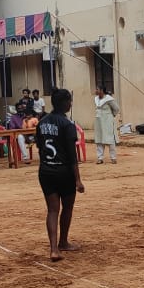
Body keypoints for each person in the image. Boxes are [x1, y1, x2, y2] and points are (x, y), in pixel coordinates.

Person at [35, 89, 85, 262]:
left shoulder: (42, 122)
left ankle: (54, 249)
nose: (70, 104)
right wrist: (78, 179)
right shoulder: (67, 124)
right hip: (64, 171)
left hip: (46, 171)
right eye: (69, 101)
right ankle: (63, 241)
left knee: (52, 210)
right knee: (67, 207)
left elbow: (39, 147)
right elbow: (73, 155)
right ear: (64, 103)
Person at [93, 86, 120, 165]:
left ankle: (113, 158)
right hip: (98, 121)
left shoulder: (109, 99)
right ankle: (100, 158)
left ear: (101, 90)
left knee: (110, 138)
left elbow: (116, 109)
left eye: (97, 89)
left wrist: (111, 116)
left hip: (107, 121)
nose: (96, 91)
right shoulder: (96, 99)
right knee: (99, 139)